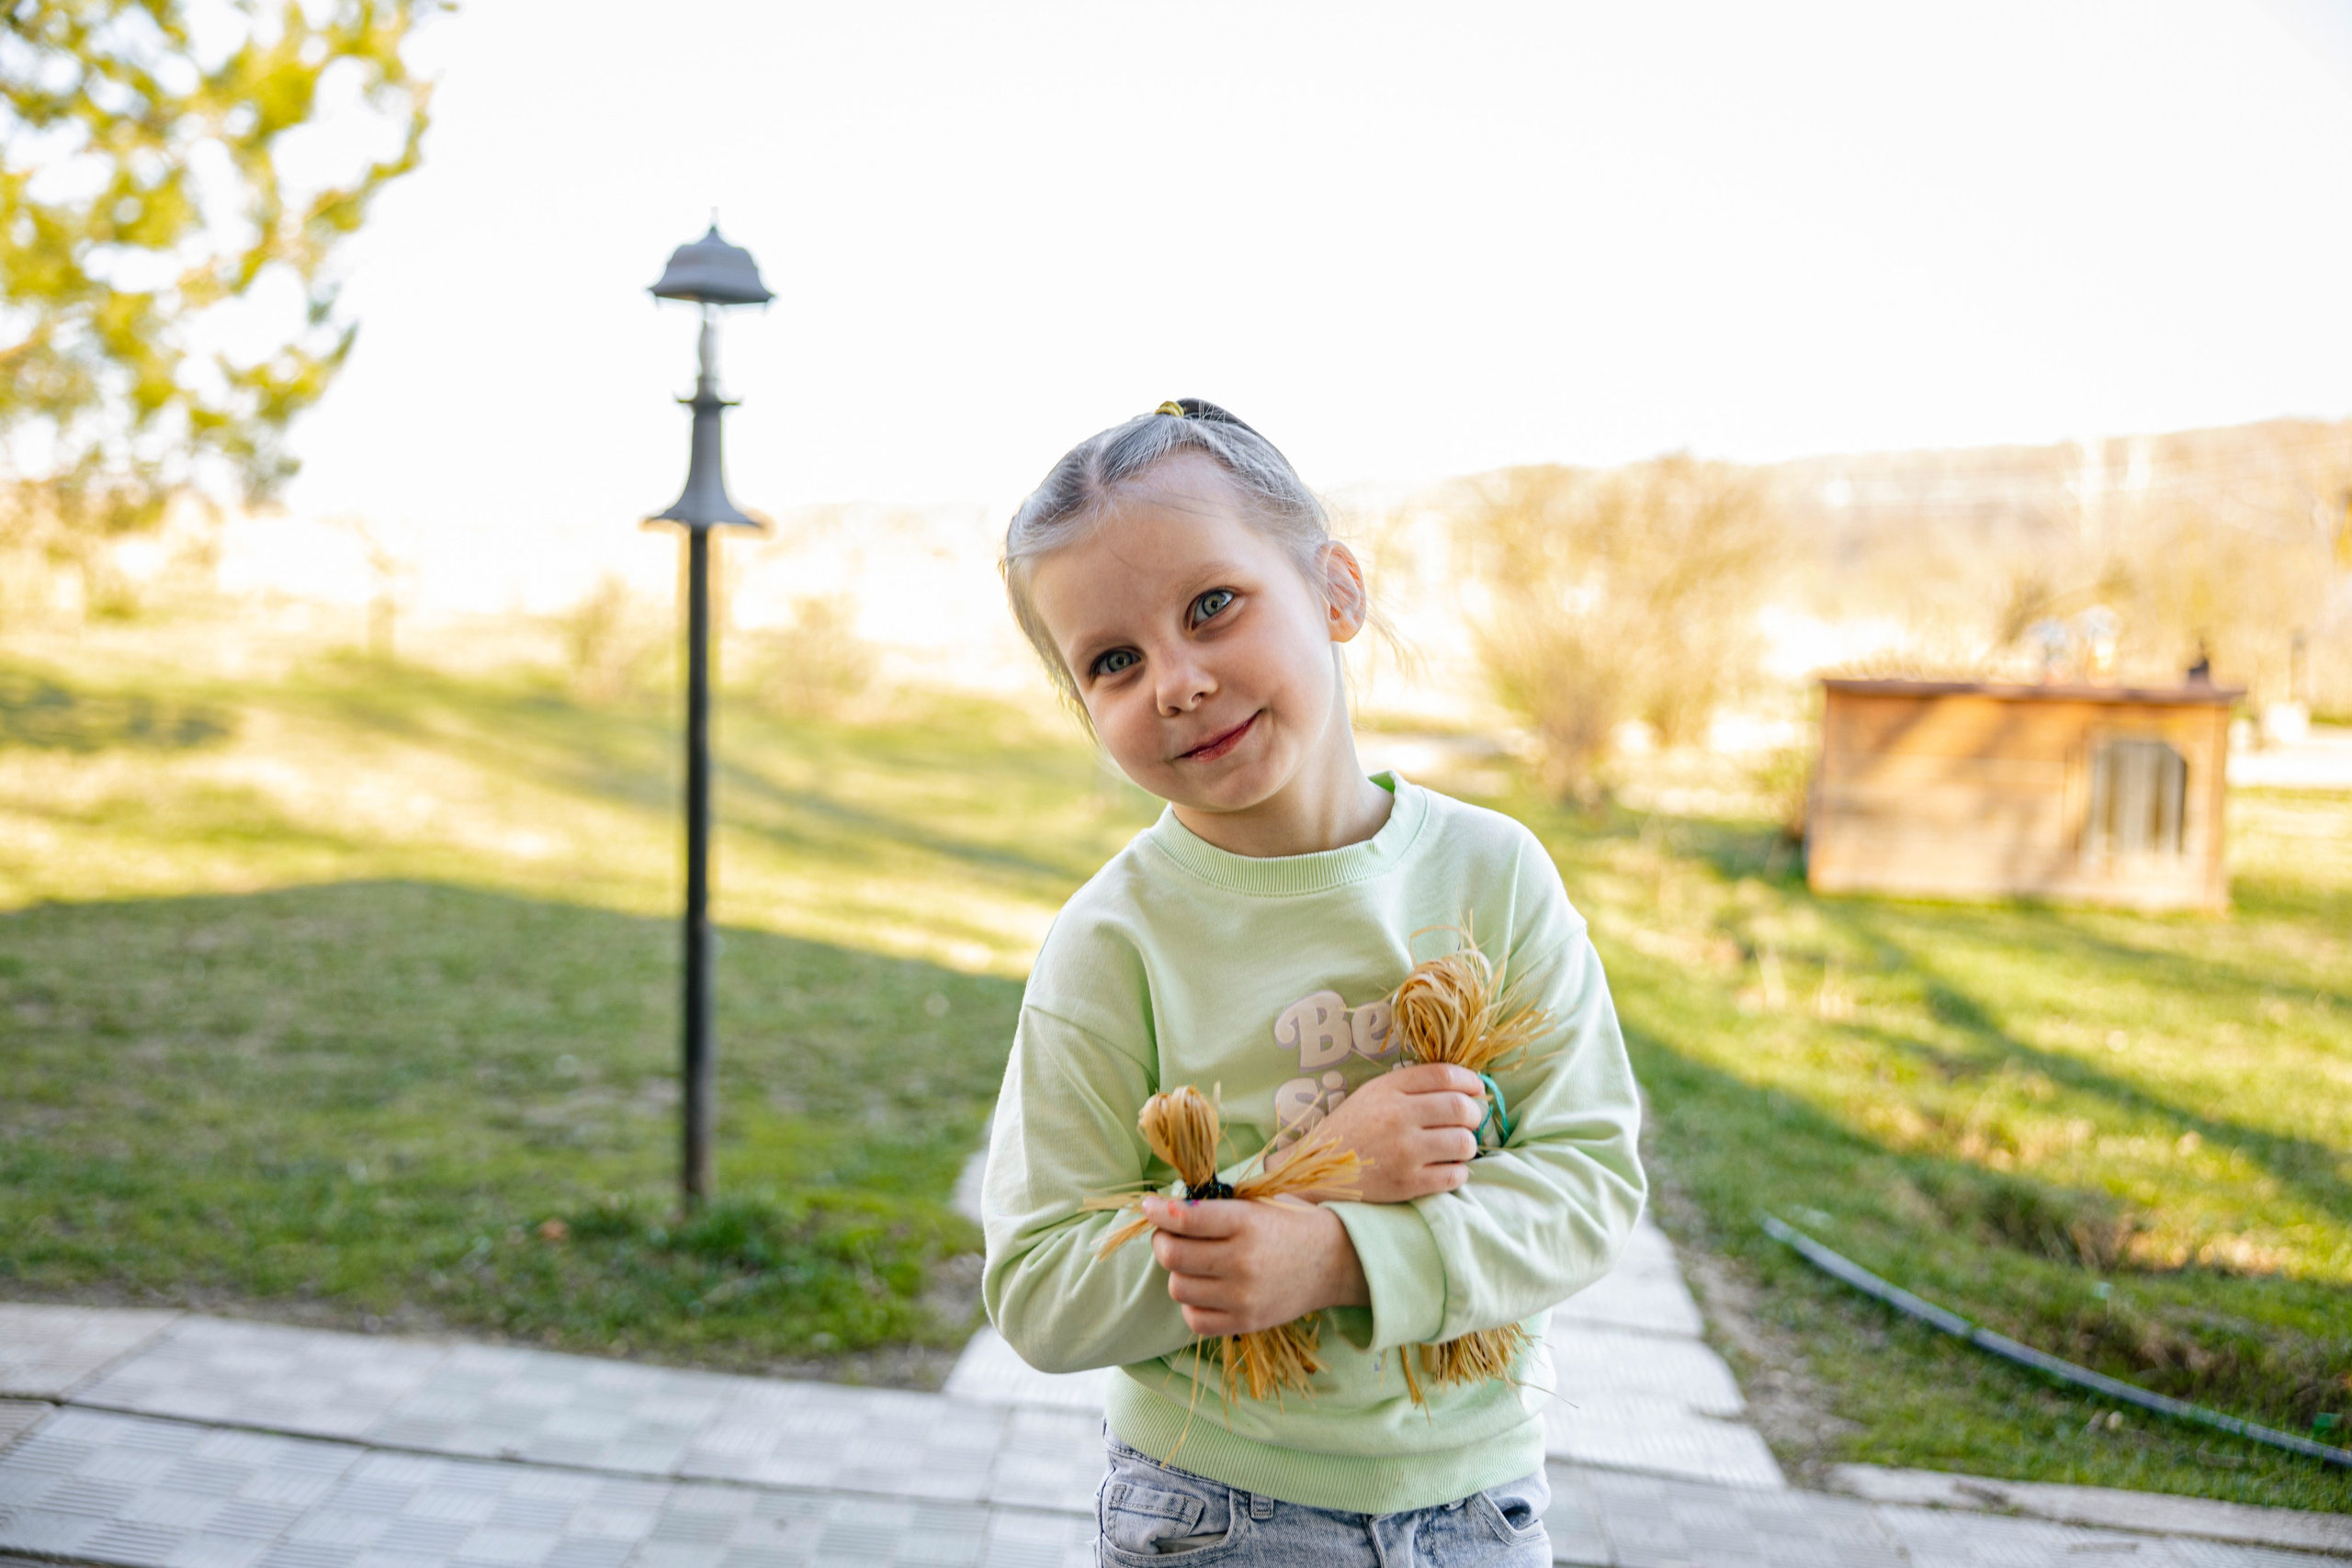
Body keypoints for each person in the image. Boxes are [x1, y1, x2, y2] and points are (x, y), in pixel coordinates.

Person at [980, 399, 1646, 1565]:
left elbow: (1587, 1180)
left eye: (1211, 605)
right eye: (1114, 661)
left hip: (1481, 1506)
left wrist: (1336, 1258)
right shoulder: (1112, 941)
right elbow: (1040, 1290)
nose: (1177, 681)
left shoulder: (1490, 874)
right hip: (1215, 1511)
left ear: (1336, 592)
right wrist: (1295, 1186)